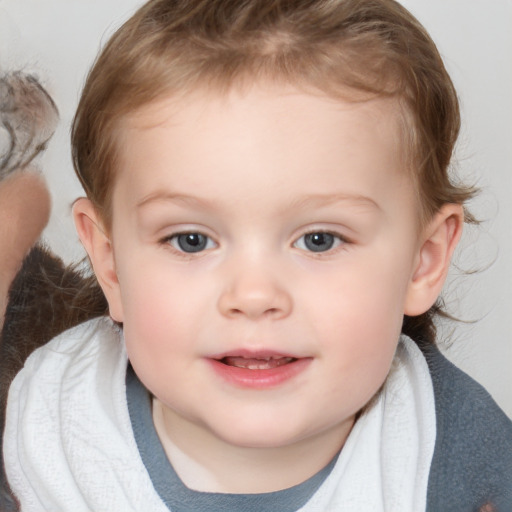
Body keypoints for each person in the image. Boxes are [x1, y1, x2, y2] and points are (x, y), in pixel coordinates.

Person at [2, 0, 511, 510]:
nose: (253, 295)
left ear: (422, 261)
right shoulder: (55, 417)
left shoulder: (461, 466)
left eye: (319, 240)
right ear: (110, 263)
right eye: (191, 240)